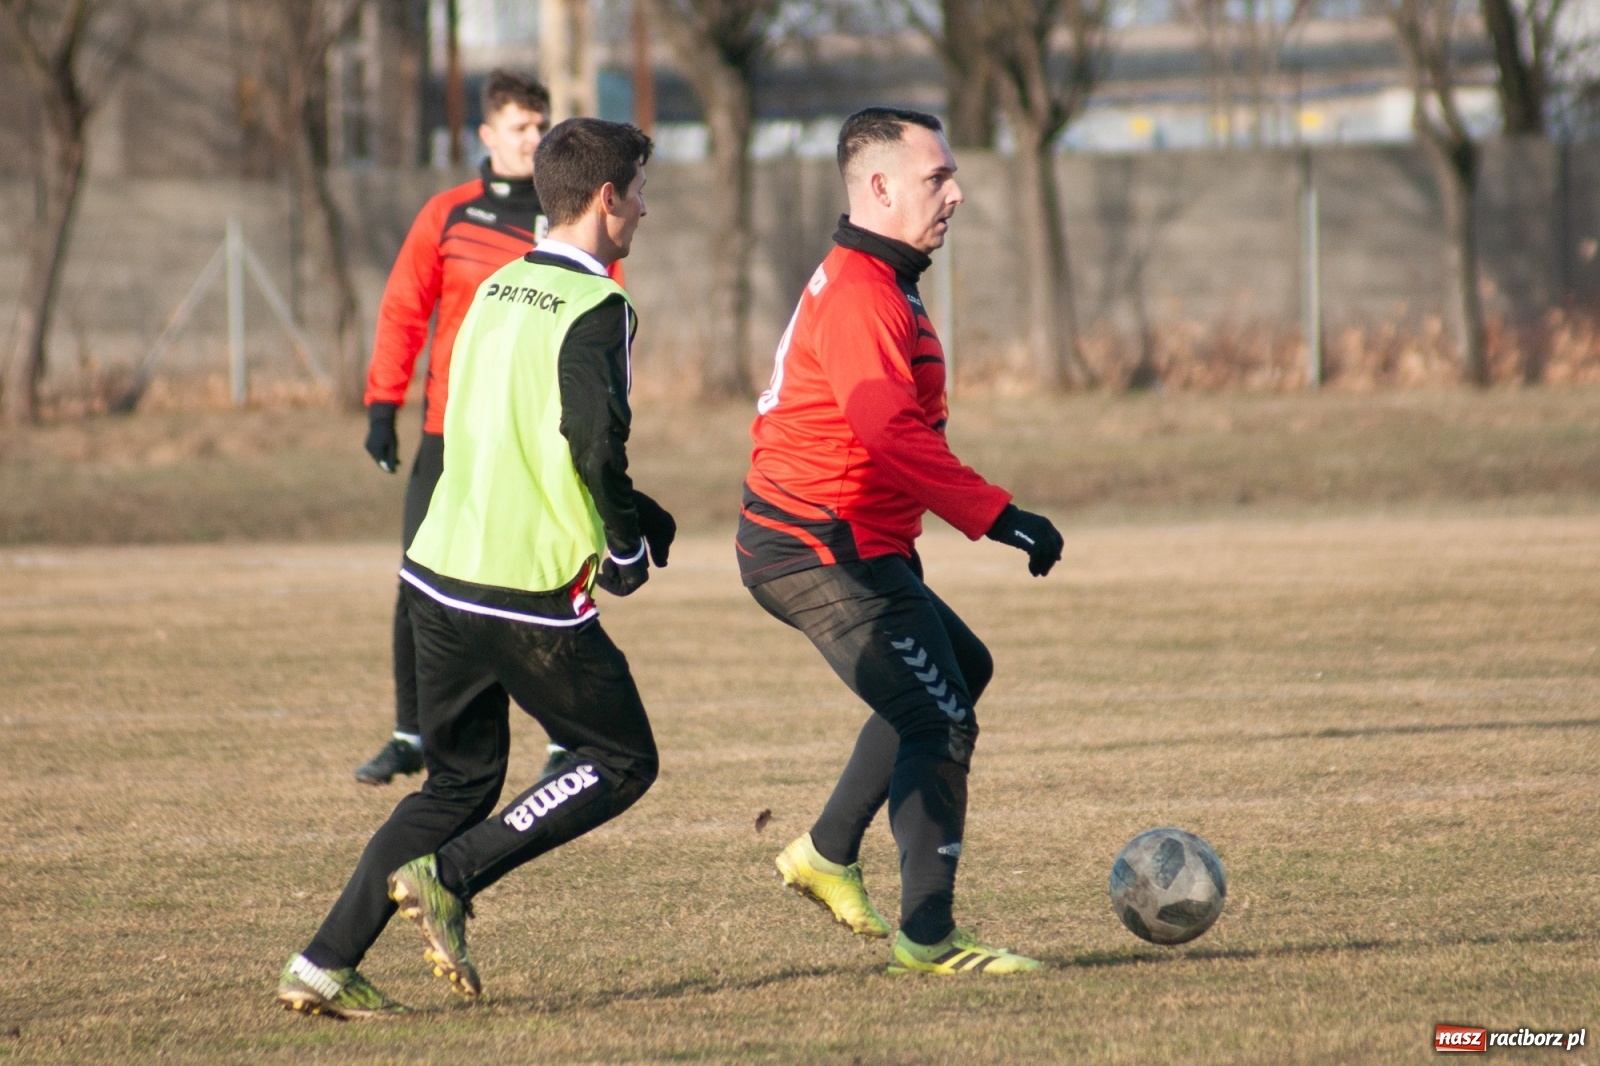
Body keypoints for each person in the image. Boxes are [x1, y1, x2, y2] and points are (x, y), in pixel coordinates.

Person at [278, 117, 673, 1018]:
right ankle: (450, 877)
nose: (646, 210)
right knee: (620, 760)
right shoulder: (598, 307)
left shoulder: (501, 285)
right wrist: (622, 545)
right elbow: (591, 442)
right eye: (642, 191)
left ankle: (322, 964)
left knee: (457, 782)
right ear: (608, 199)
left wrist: (639, 516)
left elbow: (512, 428)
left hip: (437, 573)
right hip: (523, 590)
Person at [737, 107, 1065, 976]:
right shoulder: (861, 294)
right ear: (878, 188)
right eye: (936, 179)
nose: (955, 194)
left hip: (847, 536)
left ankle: (825, 852)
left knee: (965, 669)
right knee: (940, 715)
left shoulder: (883, 275)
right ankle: (929, 941)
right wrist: (998, 514)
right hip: (817, 545)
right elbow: (887, 431)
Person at [355, 70, 619, 786]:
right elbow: (405, 308)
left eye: (541, 127)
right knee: (421, 578)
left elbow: (598, 319)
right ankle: (412, 732)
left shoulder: (569, 220)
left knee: (549, 579)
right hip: (451, 432)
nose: (533, 138)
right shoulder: (448, 213)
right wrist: (383, 404)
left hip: (536, 441)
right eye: (520, 127)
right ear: (488, 135)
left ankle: (568, 735)